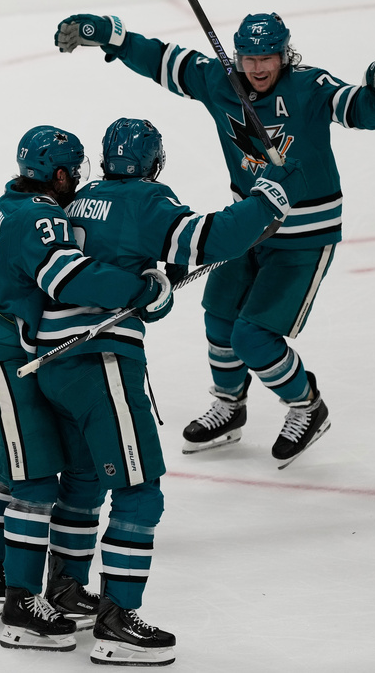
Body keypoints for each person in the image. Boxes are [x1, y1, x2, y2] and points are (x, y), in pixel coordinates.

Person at [54, 11, 375, 466]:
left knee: (254, 336)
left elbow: (359, 109)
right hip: (249, 229)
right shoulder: (222, 82)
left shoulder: (309, 87)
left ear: (285, 55)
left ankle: (307, 406)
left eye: (268, 57)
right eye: (249, 57)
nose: (258, 68)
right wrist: (111, 35)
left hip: (305, 236)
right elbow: (164, 60)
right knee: (219, 317)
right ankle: (230, 405)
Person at [34, 117, 307, 666]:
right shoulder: (146, 200)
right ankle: (115, 621)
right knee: (140, 489)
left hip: (56, 360)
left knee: (85, 480)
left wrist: (148, 287)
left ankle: (63, 590)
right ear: (154, 164)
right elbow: (206, 240)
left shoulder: (81, 198)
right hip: (102, 359)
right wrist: (267, 200)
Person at [0, 124, 172, 652]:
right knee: (31, 478)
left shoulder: (13, 200)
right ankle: (22, 604)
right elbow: (68, 277)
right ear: (56, 174)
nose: (77, 182)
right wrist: (139, 289)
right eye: (73, 174)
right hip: (4, 355)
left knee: (8, 469)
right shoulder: (39, 216)